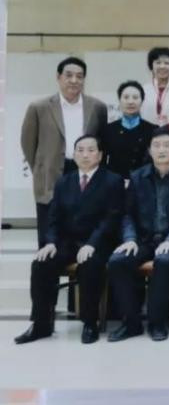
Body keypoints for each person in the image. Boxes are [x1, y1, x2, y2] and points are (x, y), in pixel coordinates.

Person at [14, 135, 124, 345]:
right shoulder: (64, 181)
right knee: (41, 263)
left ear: (100, 155)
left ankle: (90, 323)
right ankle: (41, 324)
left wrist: (92, 244)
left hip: (98, 242)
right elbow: (53, 218)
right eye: (80, 150)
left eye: (91, 150)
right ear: (74, 155)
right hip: (68, 242)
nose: (85, 155)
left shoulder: (112, 181)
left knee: (90, 265)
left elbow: (111, 218)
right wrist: (50, 242)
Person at [106, 128, 169, 342]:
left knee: (164, 261)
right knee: (118, 261)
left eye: (167, 145)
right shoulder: (137, 176)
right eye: (156, 146)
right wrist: (130, 239)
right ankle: (131, 323)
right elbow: (127, 213)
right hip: (145, 239)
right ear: (149, 150)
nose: (161, 150)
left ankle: (157, 322)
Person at [21, 57, 108, 248]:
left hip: (84, 173)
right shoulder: (39, 107)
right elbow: (28, 143)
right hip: (51, 175)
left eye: (79, 76)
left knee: (83, 232)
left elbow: (102, 143)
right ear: (58, 77)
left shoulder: (98, 107)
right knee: (49, 236)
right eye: (69, 75)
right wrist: (41, 168)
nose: (74, 80)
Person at [100, 80, 155, 181]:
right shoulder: (107, 130)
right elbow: (101, 162)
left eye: (135, 97)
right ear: (119, 100)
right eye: (126, 97)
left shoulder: (153, 130)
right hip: (114, 183)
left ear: (142, 101)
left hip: (143, 183)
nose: (130, 102)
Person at [140, 47, 169, 125]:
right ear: (151, 65)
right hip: (146, 131)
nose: (162, 66)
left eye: (167, 63)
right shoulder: (142, 90)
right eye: (158, 63)